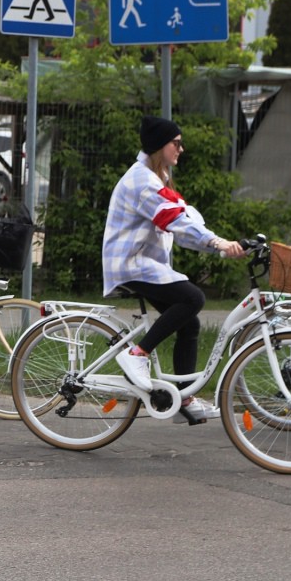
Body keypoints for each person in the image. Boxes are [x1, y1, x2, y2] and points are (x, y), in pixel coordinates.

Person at [103, 115, 244, 424]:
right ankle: (136, 354)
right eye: (176, 143)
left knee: (189, 324)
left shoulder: (158, 177)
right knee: (193, 298)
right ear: (159, 146)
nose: (181, 148)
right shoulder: (142, 180)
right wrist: (219, 243)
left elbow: (184, 220)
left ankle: (182, 399)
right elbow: (173, 219)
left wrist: (218, 243)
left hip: (145, 263)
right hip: (131, 264)